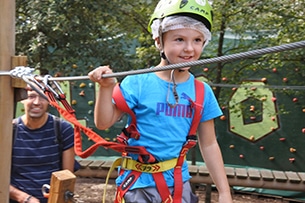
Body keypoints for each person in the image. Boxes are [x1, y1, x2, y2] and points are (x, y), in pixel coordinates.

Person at [88, 0, 233, 202]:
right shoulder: (137, 82)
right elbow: (103, 122)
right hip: (138, 186)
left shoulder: (202, 92)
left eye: (197, 40)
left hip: (178, 186)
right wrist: (105, 89)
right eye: (179, 39)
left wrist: (225, 193)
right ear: (159, 41)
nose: (189, 49)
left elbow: (208, 144)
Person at [10, 84, 76, 203]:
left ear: (50, 101)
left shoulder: (62, 129)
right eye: (31, 96)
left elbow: (67, 178)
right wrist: (24, 198)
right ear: (23, 99)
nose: (36, 102)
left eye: (42, 97)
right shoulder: (9, 131)